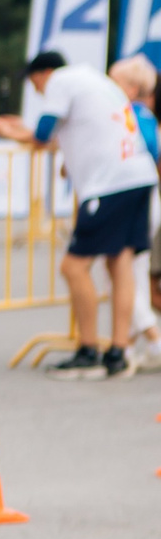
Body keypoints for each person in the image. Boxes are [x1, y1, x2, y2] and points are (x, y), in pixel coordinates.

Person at [0, 49, 160, 379]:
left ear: (43, 74)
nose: (38, 91)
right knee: (120, 262)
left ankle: (88, 350)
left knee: (74, 266)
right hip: (137, 176)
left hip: (109, 183)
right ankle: (117, 350)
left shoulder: (61, 81)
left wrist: (13, 132)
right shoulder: (94, 81)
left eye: (34, 85)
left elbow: (42, 134)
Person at [108, 54, 161, 369]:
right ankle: (127, 342)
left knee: (124, 271)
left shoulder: (133, 116)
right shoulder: (143, 115)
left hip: (137, 198)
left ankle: (151, 336)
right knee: (133, 273)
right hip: (144, 197)